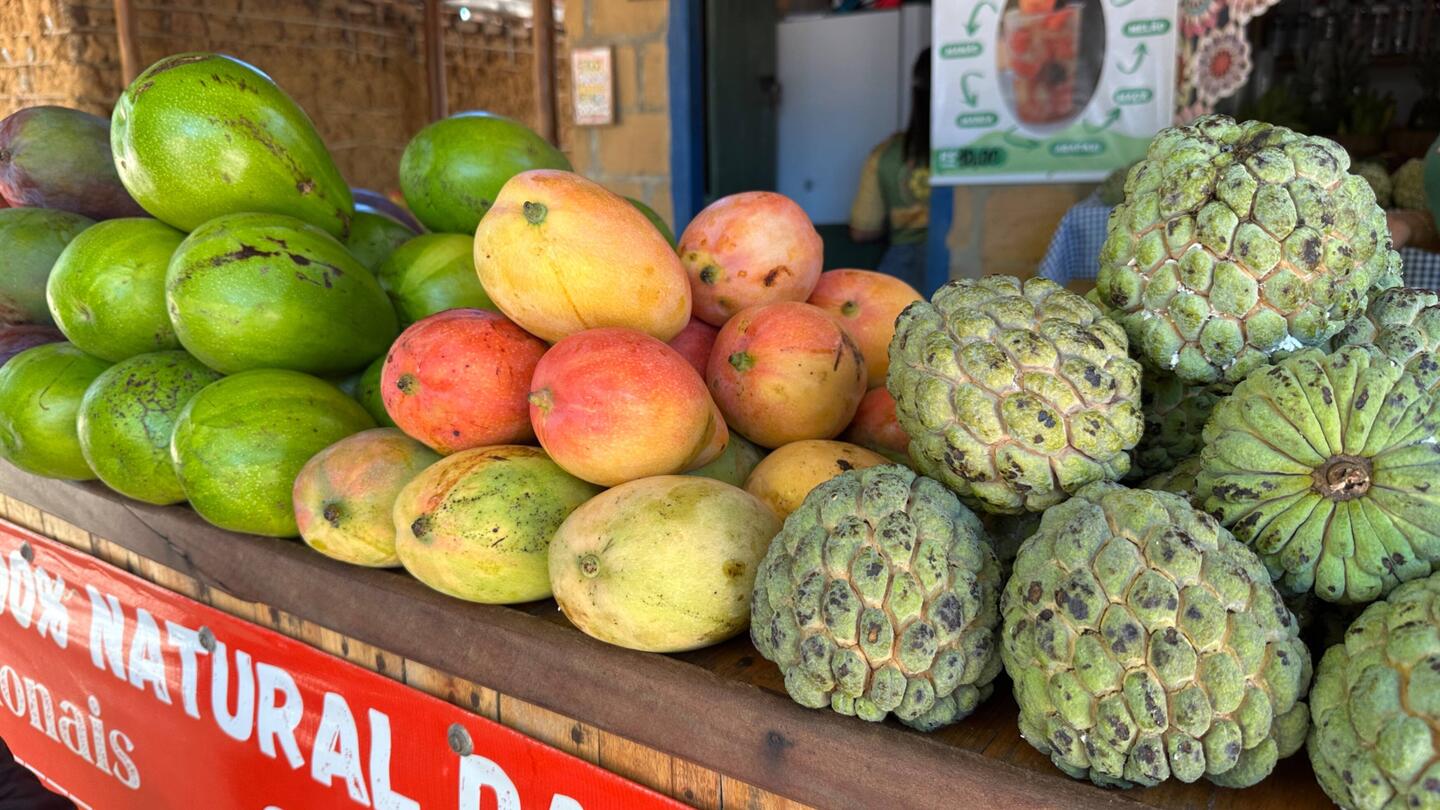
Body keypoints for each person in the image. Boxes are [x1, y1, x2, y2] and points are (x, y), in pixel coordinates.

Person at [850, 48, 931, 288]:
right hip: (969, 264)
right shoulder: (983, 156)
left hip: (905, 272)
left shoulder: (885, 154)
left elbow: (861, 230)